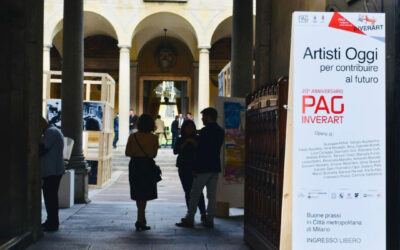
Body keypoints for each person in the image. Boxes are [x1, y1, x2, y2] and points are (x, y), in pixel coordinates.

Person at [176, 107, 224, 228]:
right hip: (215, 166)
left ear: (208, 117)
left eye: (203, 117)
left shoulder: (205, 131)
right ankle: (209, 219)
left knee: (195, 193)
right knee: (212, 195)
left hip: (203, 167)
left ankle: (190, 218)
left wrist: (195, 168)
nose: (202, 119)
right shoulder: (220, 130)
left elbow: (200, 150)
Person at [125, 114, 159, 232]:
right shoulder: (154, 138)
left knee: (137, 191)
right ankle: (140, 219)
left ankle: (141, 218)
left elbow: (128, 152)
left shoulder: (133, 136)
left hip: (135, 165)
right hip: (147, 165)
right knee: (144, 193)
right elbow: (154, 154)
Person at [173, 120, 206, 222]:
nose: (189, 129)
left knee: (198, 191)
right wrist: (186, 142)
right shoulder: (180, 139)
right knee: (187, 191)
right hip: (183, 167)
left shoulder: (198, 138)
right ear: (183, 128)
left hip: (196, 167)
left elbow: (202, 150)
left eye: (191, 127)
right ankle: (190, 214)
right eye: (187, 127)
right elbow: (175, 151)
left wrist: (193, 142)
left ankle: (203, 213)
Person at [39, 117, 65, 232]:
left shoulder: (51, 132)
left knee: (51, 198)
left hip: (52, 171)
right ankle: (50, 221)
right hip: (52, 170)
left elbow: (42, 148)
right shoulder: (53, 131)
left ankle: (53, 223)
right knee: (50, 197)